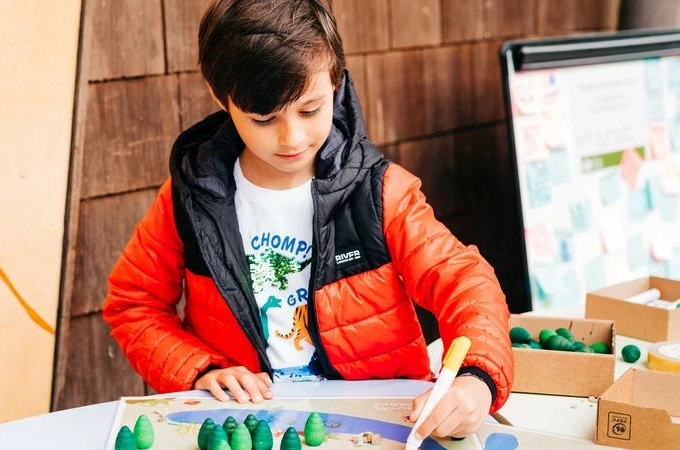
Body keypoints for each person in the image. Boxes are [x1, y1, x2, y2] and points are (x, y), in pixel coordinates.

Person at [103, 0, 513, 440]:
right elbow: (134, 303)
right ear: (219, 95)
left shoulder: (379, 192)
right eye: (264, 118)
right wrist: (199, 369)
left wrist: (476, 380)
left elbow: (464, 280)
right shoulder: (190, 197)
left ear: (336, 80)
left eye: (310, 109)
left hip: (379, 428)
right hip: (250, 426)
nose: (291, 138)